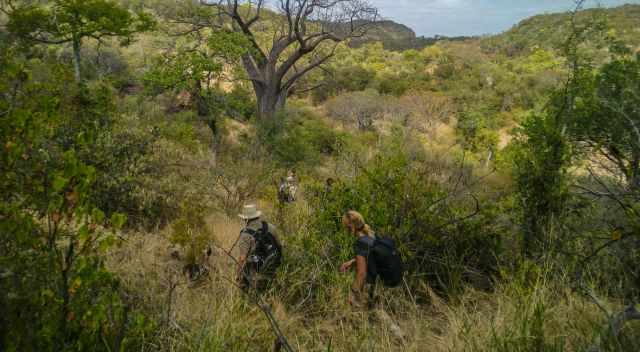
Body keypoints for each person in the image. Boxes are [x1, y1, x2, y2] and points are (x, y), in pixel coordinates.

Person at [236, 204, 283, 291]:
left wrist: (238, 275)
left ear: (245, 219)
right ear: (257, 216)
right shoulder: (271, 227)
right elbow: (279, 246)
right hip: (273, 269)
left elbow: (242, 258)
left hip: (254, 272)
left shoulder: (245, 234)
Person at [339, 210, 378, 307]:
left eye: (346, 227)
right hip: (378, 285)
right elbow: (368, 258)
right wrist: (351, 262)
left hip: (368, 287)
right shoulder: (371, 238)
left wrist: (353, 294)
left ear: (351, 226)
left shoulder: (360, 243)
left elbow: (361, 273)